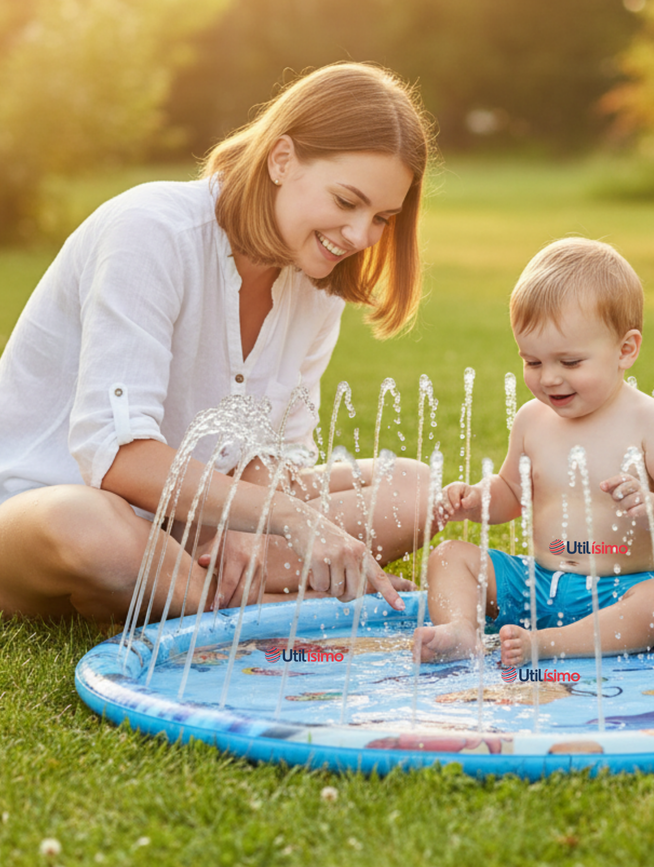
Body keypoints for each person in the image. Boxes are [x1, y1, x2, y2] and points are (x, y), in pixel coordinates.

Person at [0, 62, 437, 624]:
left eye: (382, 217)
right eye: (346, 202)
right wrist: (281, 517)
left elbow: (277, 454)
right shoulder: (151, 231)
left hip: (184, 522)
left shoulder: (318, 282)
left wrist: (251, 521)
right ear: (282, 160)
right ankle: (282, 604)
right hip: (47, 508)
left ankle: (185, 588)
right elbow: (114, 458)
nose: (359, 237)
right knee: (91, 531)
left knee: (417, 488)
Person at [413, 238, 654, 665]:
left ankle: (550, 645)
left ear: (625, 350)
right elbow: (512, 492)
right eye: (532, 362)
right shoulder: (533, 419)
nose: (549, 379)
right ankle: (461, 631)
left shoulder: (650, 422)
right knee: (450, 556)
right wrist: (478, 500)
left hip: (617, 590)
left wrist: (653, 506)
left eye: (569, 363)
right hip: (535, 582)